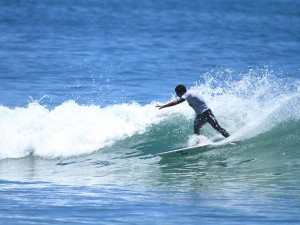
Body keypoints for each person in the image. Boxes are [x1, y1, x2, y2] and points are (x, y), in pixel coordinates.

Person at [156, 84, 230, 139]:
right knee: (196, 126)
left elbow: (176, 102)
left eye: (177, 93)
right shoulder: (187, 95)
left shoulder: (188, 94)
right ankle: (198, 142)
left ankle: (229, 138)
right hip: (200, 115)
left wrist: (164, 106)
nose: (177, 95)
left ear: (181, 92)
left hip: (207, 113)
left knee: (217, 127)